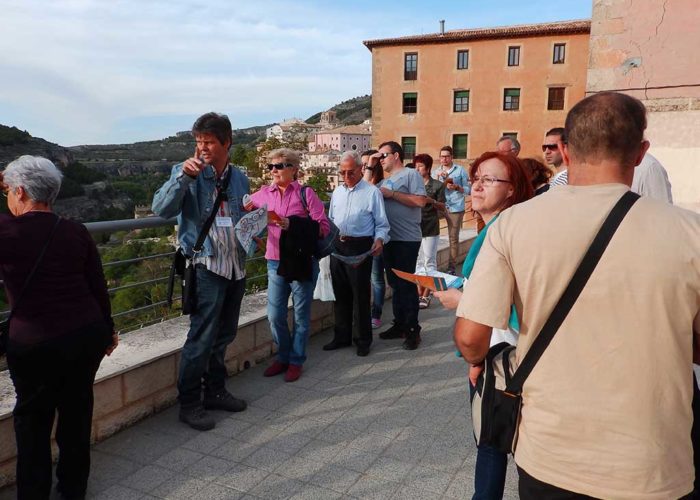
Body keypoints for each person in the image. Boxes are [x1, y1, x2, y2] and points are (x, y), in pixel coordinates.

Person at [454, 92, 700, 499]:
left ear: (565, 151)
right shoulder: (690, 232)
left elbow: (470, 338)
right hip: (654, 461)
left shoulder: (513, 225)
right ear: (640, 153)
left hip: (552, 456)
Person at [0, 156, 118, 499]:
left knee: (33, 425)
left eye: (8, 190)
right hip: (85, 336)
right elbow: (97, 285)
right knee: (76, 416)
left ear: (20, 192)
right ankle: (72, 490)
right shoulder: (75, 231)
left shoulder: (6, 231)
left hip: (34, 344)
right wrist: (108, 329)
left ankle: (34, 493)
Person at [433, 152, 533, 500]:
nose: (476, 183)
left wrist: (462, 302)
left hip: (502, 353)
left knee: (494, 439)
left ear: (512, 190)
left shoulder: (501, 234)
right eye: (476, 176)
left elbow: (516, 306)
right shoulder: (499, 229)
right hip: (500, 350)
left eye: (489, 179)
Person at [152, 112, 250, 431]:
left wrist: (253, 232)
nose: (202, 148)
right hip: (205, 264)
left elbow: (243, 216)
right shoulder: (187, 172)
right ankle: (190, 403)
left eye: (208, 141)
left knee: (224, 334)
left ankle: (215, 391)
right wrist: (183, 177)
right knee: (201, 336)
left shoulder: (239, 178)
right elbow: (161, 210)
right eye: (198, 142)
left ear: (227, 142)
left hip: (235, 264)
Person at [246, 148, 329, 382]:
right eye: (271, 166)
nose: (273, 170)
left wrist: (291, 224)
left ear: (293, 169)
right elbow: (243, 210)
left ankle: (295, 360)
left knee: (301, 316)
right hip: (274, 261)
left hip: (302, 261)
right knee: (275, 315)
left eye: (279, 166)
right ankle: (283, 356)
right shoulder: (264, 193)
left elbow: (322, 227)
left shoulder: (306, 194)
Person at [323, 151, 389, 356]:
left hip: (360, 248)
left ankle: (363, 340)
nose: (346, 176)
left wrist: (379, 240)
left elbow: (382, 224)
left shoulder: (372, 193)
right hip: (338, 248)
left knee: (360, 296)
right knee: (340, 294)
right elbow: (331, 218)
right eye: (342, 172)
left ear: (361, 169)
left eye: (350, 172)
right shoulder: (337, 193)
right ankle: (342, 336)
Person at [369, 141, 427, 350]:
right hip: (389, 239)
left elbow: (421, 201)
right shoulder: (383, 180)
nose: (381, 159)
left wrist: (393, 194)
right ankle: (400, 324)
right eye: (380, 157)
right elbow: (365, 192)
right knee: (394, 284)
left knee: (406, 284)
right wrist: (370, 165)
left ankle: (413, 330)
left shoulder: (411, 175)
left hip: (407, 239)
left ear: (396, 155)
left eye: (384, 155)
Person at [413, 153, 446, 309]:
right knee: (418, 263)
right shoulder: (413, 184)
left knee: (429, 262)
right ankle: (418, 293)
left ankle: (426, 295)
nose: (417, 169)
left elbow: (442, 206)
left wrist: (431, 200)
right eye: (416, 166)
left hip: (430, 227)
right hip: (414, 228)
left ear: (428, 168)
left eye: (420, 166)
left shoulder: (437, 185)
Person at [432, 146, 470, 274]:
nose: (444, 159)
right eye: (442, 156)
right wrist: (438, 179)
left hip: (455, 207)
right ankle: (430, 266)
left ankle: (451, 267)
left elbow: (468, 189)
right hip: (440, 206)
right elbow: (431, 191)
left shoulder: (460, 171)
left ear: (451, 157)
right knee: (430, 235)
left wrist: (457, 187)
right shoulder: (435, 172)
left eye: (447, 156)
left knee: (453, 238)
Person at [361, 149, 386, 329]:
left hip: (376, 238)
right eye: (362, 165)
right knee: (363, 278)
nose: (363, 168)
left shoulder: (382, 186)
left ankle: (376, 313)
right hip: (359, 240)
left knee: (376, 278)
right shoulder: (360, 186)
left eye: (367, 164)